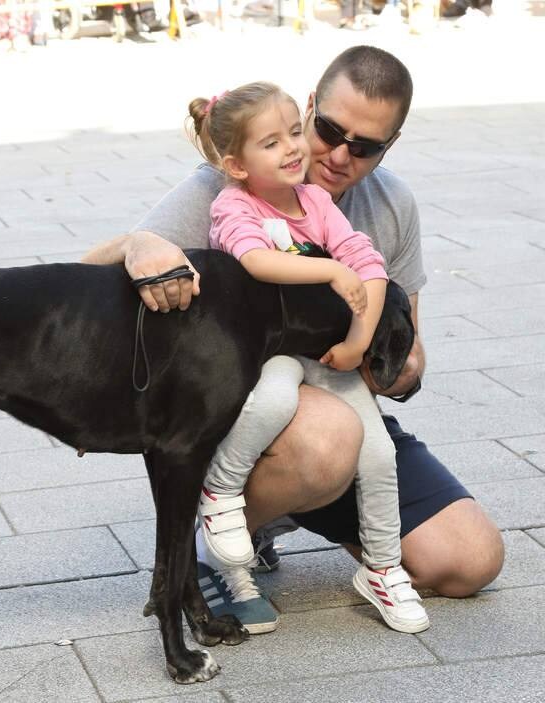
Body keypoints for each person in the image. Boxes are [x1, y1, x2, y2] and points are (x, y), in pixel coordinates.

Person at [81, 45, 504, 635]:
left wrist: (402, 367)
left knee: (469, 562)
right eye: (328, 130)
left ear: (391, 145)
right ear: (309, 107)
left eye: (365, 146)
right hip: (254, 416)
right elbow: (87, 277)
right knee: (325, 434)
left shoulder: (391, 203)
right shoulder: (230, 184)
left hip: (343, 396)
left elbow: (408, 342)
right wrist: (134, 246)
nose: (337, 154)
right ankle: (204, 547)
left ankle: (282, 518)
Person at [188, 81, 429, 634]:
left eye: (295, 132)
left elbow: (366, 264)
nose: (294, 148)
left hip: (325, 352)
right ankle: (220, 491)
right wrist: (328, 270)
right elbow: (254, 261)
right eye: (271, 143)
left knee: (378, 453)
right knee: (269, 401)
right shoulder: (232, 204)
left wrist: (357, 339)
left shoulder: (317, 202)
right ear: (237, 164)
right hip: (265, 350)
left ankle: (383, 567)